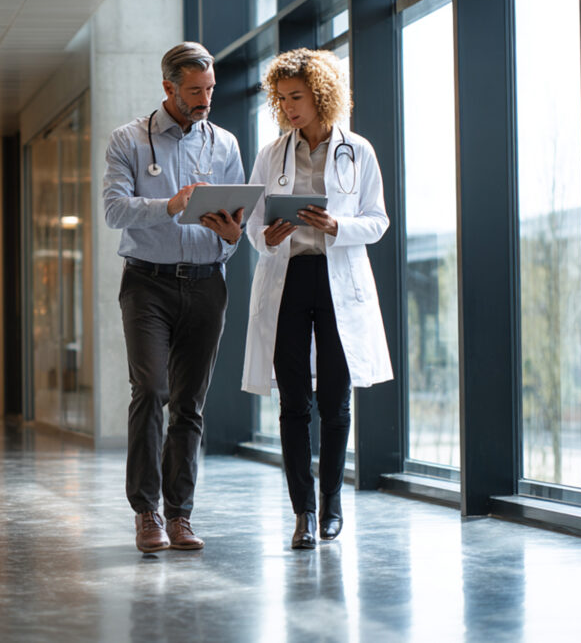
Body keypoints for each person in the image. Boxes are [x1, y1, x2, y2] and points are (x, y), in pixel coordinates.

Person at [241, 48, 393, 549]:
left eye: (297, 98)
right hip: (288, 280)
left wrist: (337, 225)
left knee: (335, 400)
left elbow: (377, 219)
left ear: (321, 95)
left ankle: (331, 504)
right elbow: (251, 224)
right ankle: (302, 512)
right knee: (293, 404)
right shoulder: (271, 154)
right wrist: (266, 235)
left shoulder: (359, 151)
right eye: (282, 99)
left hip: (337, 282)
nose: (288, 108)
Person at [103, 42, 246, 553]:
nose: (205, 99)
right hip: (148, 284)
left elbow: (236, 218)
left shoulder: (224, 143)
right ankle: (146, 512)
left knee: (190, 403)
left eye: (209, 89)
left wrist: (233, 233)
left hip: (208, 282)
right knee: (151, 390)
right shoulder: (129, 141)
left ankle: (180, 515)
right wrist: (170, 205)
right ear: (168, 88)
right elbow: (115, 210)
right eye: (194, 91)